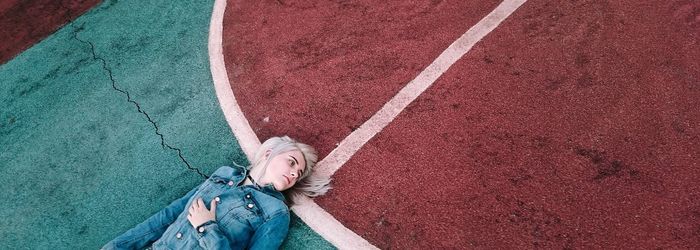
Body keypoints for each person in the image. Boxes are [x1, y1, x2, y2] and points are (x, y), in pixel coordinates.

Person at [102, 136, 330, 249]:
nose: (293, 174)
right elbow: (170, 215)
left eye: (298, 174)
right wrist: (117, 246)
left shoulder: (276, 213)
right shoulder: (224, 174)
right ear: (269, 152)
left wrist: (207, 228)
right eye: (291, 163)